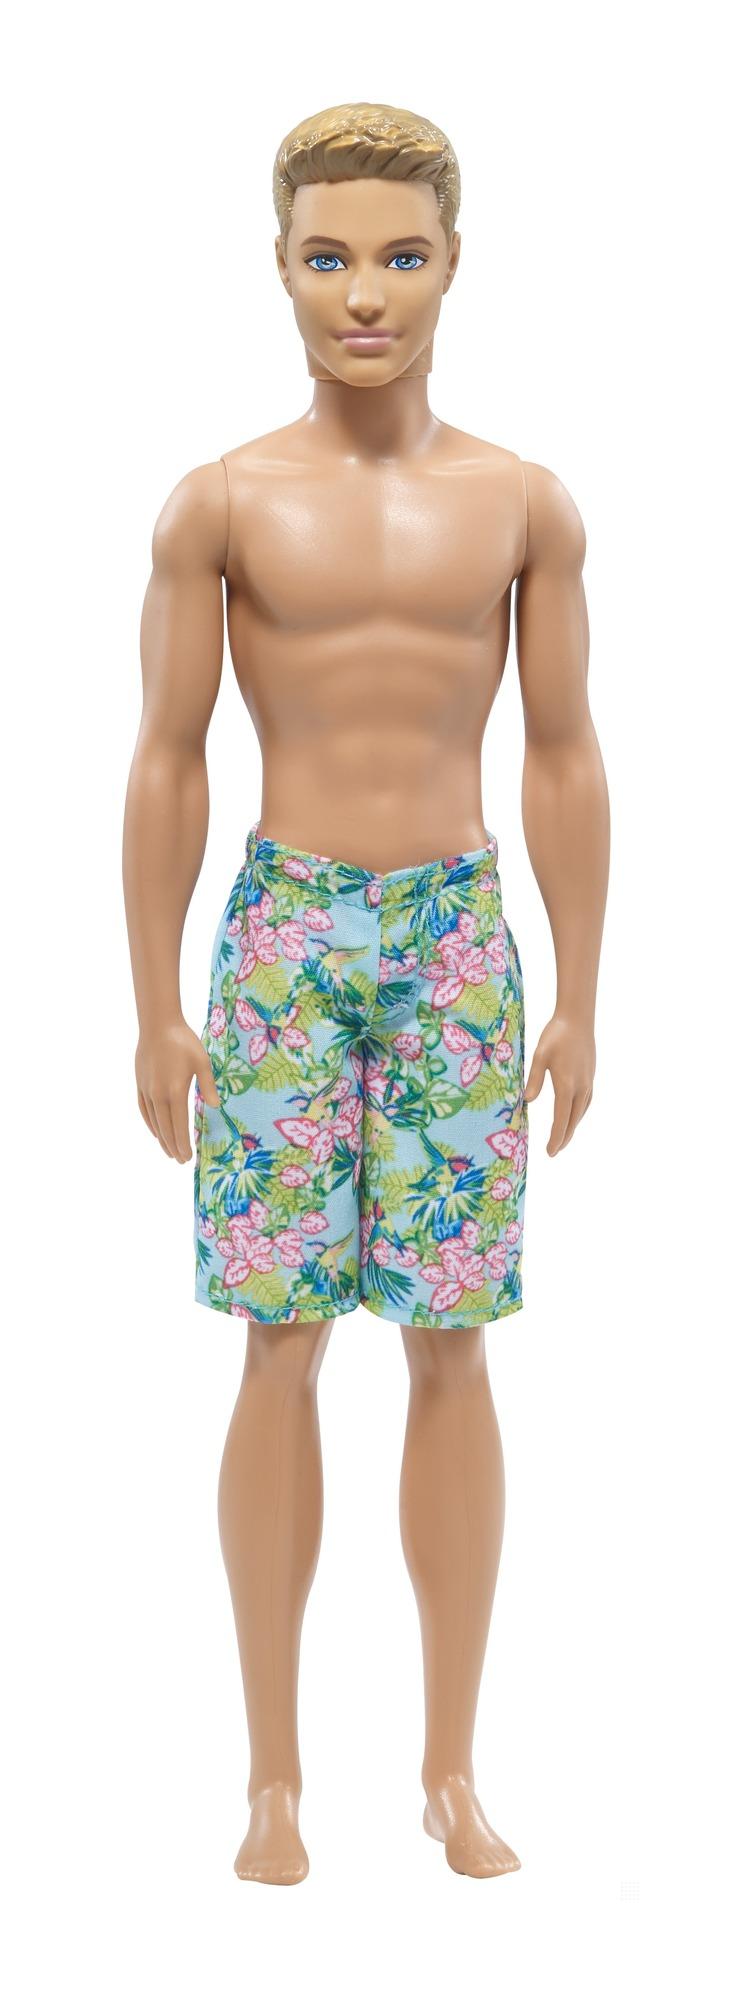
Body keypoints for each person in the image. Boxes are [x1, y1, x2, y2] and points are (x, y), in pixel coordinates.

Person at [123, 101, 609, 1884]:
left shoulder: (522, 503)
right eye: (328, 256)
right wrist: (153, 999)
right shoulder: (224, 502)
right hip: (282, 940)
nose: (365, 294)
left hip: (461, 942)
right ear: (280, 267)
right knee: (278, 1341)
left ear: (453, 263)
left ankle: (449, 1770)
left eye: (400, 255)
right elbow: (166, 755)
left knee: (453, 1344)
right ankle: (272, 1781)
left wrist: (580, 991)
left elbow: (564, 750)